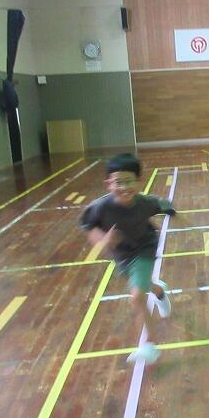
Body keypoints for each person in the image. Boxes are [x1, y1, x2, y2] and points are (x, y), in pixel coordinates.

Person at [80, 153, 176, 365]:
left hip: (144, 248)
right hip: (122, 255)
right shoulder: (100, 207)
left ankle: (150, 346)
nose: (124, 187)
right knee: (142, 286)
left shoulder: (145, 202)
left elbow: (164, 205)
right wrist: (104, 240)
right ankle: (159, 291)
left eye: (129, 181)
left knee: (137, 296)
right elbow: (89, 227)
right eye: (118, 182)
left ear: (139, 181)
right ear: (108, 184)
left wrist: (176, 215)